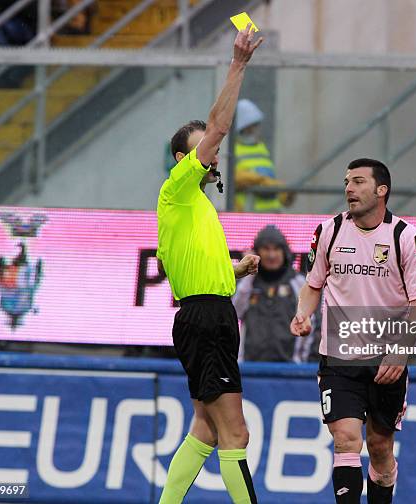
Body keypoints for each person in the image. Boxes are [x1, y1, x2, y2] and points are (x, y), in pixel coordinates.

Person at [155, 25, 263, 504]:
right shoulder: (178, 188)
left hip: (206, 313)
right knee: (235, 434)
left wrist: (236, 270)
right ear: (183, 158)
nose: (214, 152)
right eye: (203, 148)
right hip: (208, 318)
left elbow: (182, 282)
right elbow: (219, 125)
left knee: (205, 427)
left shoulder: (194, 208)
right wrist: (238, 64)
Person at [290, 159, 416, 504]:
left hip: (386, 362)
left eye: (358, 182)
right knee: (345, 440)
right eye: (346, 182)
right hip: (338, 358)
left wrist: (401, 349)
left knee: (380, 447)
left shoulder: (405, 237)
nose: (349, 189)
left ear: (381, 190)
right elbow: (313, 285)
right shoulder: (328, 231)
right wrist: (303, 313)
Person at [233, 225, 315, 362]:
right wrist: (250, 272)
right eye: (266, 249)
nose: (271, 255)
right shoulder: (247, 284)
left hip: (291, 369)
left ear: (284, 252)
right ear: (257, 252)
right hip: (250, 368)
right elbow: (235, 311)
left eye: (276, 249)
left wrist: (306, 364)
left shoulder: (299, 283)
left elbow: (314, 324)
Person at [233, 99, 294, 212]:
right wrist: (268, 183)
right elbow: (235, 178)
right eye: (250, 126)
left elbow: (269, 177)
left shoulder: (261, 148)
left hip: (272, 214)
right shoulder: (232, 150)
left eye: (256, 125)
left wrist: (283, 193)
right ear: (241, 128)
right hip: (248, 217)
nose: (254, 130)